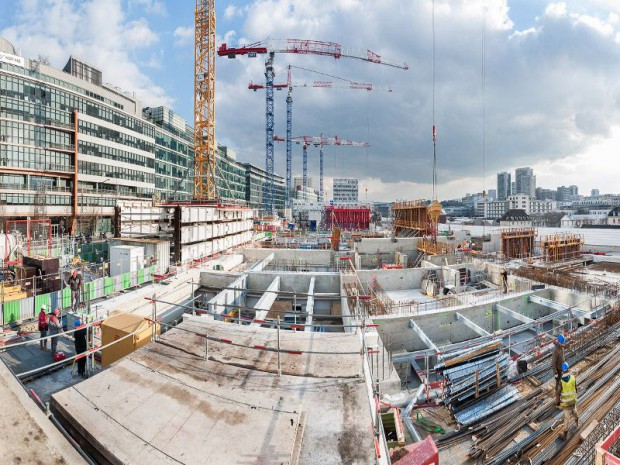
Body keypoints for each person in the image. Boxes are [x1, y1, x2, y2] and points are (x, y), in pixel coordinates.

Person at [559, 362, 578, 440]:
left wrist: (558, 402)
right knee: (574, 412)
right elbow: (575, 389)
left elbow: (559, 392)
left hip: (566, 404)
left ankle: (565, 434)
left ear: (562, 371)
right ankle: (577, 423)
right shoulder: (573, 378)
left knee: (566, 418)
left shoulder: (561, 381)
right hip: (573, 401)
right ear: (568, 369)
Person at [552, 334, 566, 406]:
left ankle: (562, 395)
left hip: (561, 368)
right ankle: (557, 401)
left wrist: (564, 362)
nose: (563, 344)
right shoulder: (555, 350)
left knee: (562, 383)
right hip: (558, 370)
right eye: (562, 343)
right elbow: (553, 362)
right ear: (559, 342)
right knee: (558, 386)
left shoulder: (561, 348)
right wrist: (555, 372)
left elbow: (562, 356)